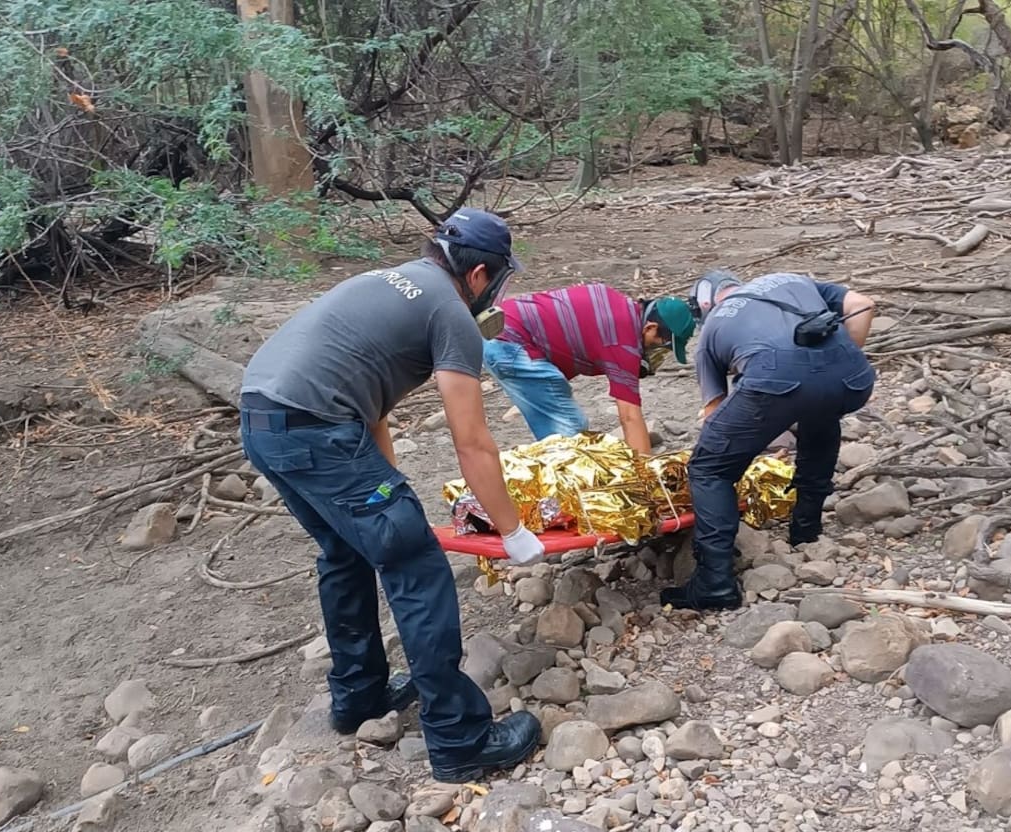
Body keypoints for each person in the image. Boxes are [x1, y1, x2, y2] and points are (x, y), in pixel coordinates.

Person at [239, 208, 544, 782]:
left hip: (262, 418)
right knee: (417, 564)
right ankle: (461, 740)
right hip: (317, 428)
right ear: (480, 275)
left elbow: (372, 409)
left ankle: (359, 698)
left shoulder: (388, 281)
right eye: (499, 279)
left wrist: (384, 491)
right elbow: (473, 442)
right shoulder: (450, 311)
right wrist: (513, 531)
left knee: (345, 551)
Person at [662, 270, 877, 610]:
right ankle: (806, 530)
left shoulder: (713, 327)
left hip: (776, 376)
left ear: (704, 306)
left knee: (708, 468)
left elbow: (714, 416)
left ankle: (714, 584)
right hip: (855, 378)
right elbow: (863, 305)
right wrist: (836, 367)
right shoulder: (791, 279)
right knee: (820, 413)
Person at [481, 285, 696, 454]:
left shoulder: (619, 306)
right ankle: (566, 496)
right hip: (511, 342)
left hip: (501, 329)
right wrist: (647, 475)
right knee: (569, 428)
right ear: (649, 327)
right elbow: (630, 416)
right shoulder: (623, 343)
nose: (656, 353)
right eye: (659, 345)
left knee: (556, 429)